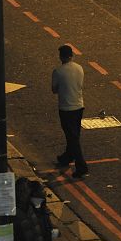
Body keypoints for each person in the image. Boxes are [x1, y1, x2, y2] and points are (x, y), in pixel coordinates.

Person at [51, 44, 88, 178]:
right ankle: (67, 156)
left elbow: (54, 89)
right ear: (72, 55)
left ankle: (81, 166)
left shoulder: (58, 71)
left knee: (72, 137)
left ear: (61, 56)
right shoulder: (79, 68)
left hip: (66, 107)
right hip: (79, 105)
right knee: (74, 135)